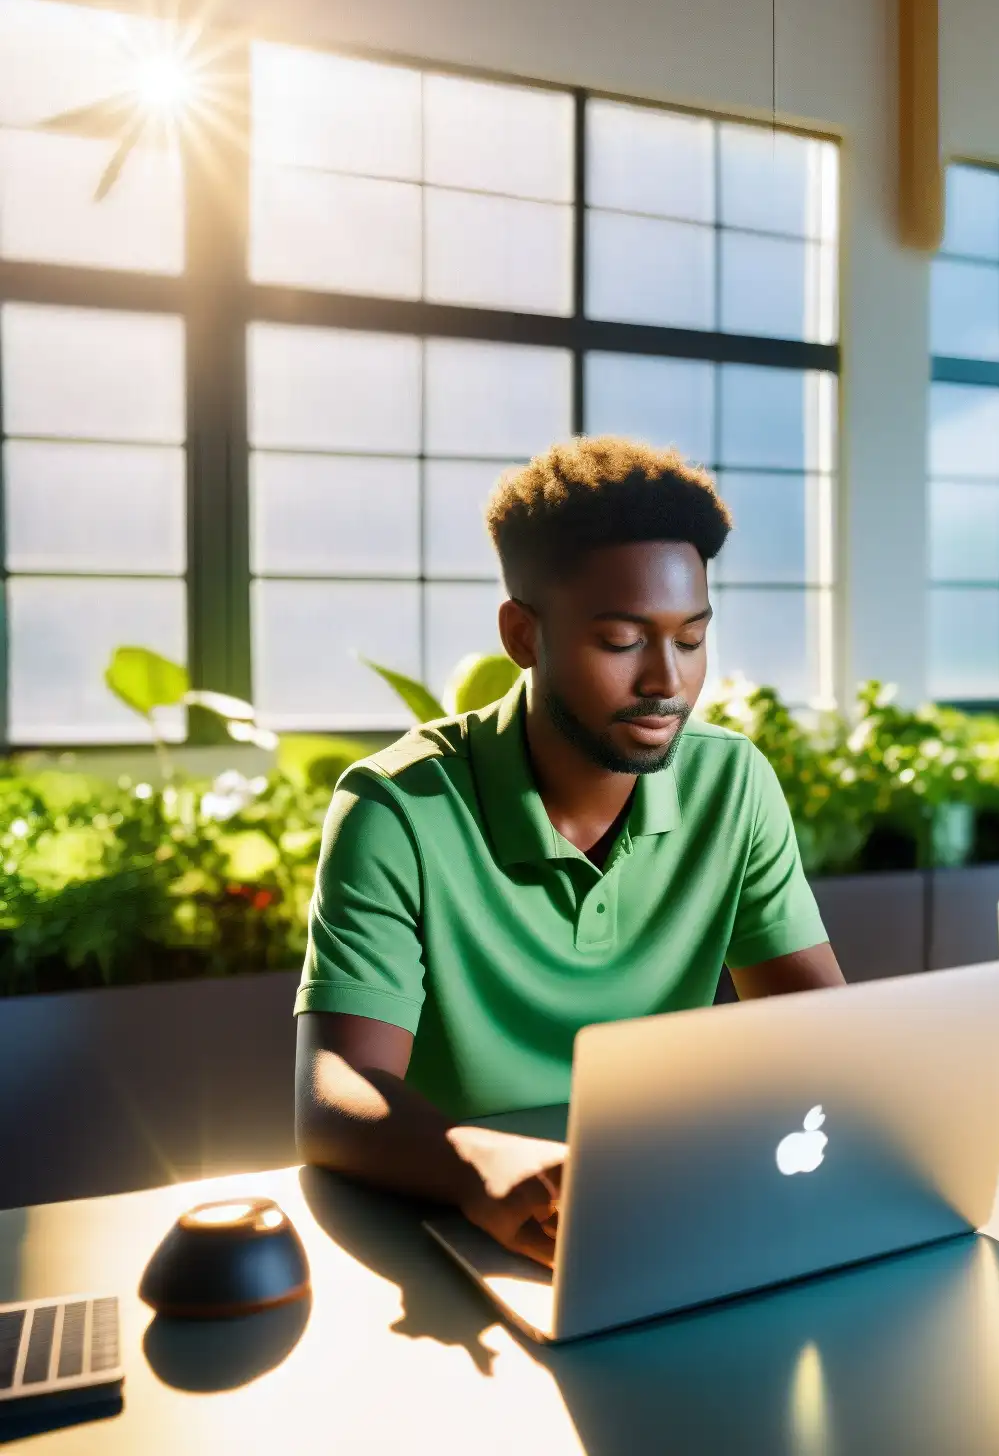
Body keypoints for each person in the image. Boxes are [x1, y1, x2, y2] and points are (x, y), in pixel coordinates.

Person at [293, 436, 844, 1267]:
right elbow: (335, 1089)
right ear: (523, 633)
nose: (667, 682)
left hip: (668, 1210)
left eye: (691, 640)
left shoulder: (734, 783)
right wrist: (475, 1162)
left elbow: (824, 1034)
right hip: (459, 1222)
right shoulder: (397, 808)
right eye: (623, 641)